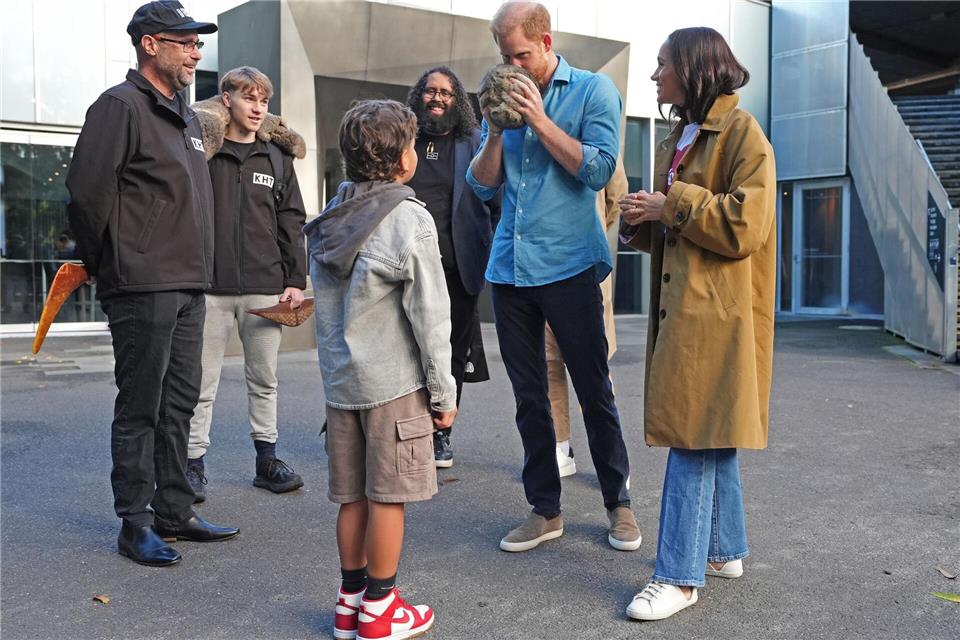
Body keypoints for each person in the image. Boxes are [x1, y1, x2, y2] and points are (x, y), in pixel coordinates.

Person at [65, 0, 238, 568]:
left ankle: (174, 511)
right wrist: (110, 263)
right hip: (142, 282)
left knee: (180, 402)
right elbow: (87, 197)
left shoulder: (185, 117)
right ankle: (135, 523)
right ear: (150, 44)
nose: (196, 52)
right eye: (185, 42)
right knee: (141, 405)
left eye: (198, 43)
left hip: (189, 281)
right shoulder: (119, 107)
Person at [467, 1, 641, 553]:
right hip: (510, 269)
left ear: (546, 41)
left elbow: (598, 169)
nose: (512, 66)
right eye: (505, 56)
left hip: (569, 264)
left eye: (520, 54)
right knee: (529, 397)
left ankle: (619, 504)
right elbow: (481, 185)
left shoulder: (592, 91)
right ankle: (545, 510)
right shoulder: (502, 96)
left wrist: (539, 120)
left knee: (594, 389)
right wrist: (497, 132)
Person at [618, 27, 776, 620]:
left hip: (718, 313)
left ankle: (678, 577)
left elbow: (746, 225)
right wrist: (644, 220)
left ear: (694, 68)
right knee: (711, 430)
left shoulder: (742, 132)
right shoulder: (681, 136)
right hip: (689, 308)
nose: (655, 76)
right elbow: (681, 227)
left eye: (663, 65)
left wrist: (672, 204)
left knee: (693, 437)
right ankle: (723, 549)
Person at [305, 100, 457, 640]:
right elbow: (431, 317)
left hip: (342, 386)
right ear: (402, 159)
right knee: (388, 497)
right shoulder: (408, 218)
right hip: (393, 386)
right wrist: (443, 394)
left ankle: (349, 603)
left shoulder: (332, 215)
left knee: (352, 497)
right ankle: (380, 608)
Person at [186, 67, 307, 502]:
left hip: (264, 285)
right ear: (226, 100)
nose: (258, 108)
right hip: (209, 286)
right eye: (248, 98)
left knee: (264, 378)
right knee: (201, 383)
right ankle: (193, 464)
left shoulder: (275, 157)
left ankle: (267, 460)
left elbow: (291, 219)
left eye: (263, 101)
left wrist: (295, 279)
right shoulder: (203, 151)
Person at [405, 65, 501, 468]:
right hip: (407, 267)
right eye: (430, 91)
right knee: (408, 348)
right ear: (419, 96)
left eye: (446, 92)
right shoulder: (404, 138)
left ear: (457, 100)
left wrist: (488, 248)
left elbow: (494, 202)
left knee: (451, 352)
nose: (437, 98)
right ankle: (408, 427)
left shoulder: (474, 142)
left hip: (458, 266)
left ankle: (441, 433)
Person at [548, 157, 627, 477]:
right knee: (548, 360)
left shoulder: (596, 131)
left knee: (594, 367)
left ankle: (611, 456)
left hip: (585, 260)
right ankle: (559, 446)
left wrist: (593, 227)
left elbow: (616, 194)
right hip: (543, 261)